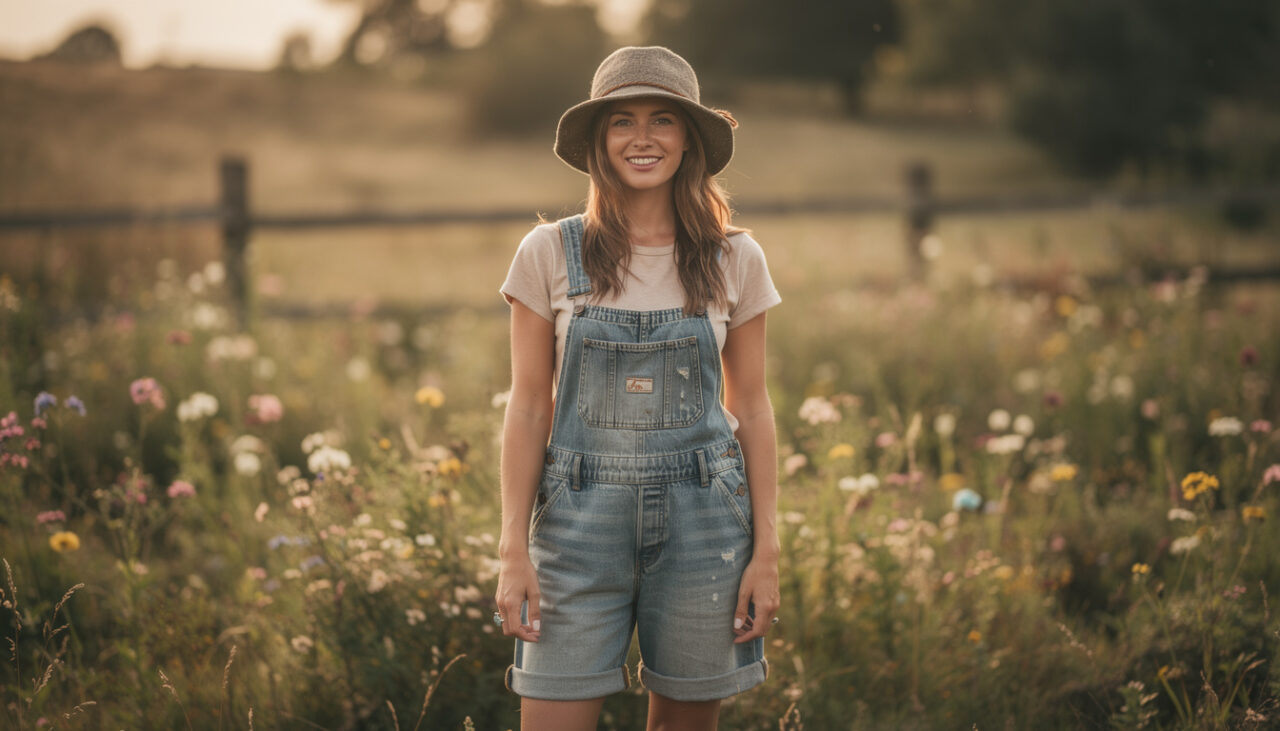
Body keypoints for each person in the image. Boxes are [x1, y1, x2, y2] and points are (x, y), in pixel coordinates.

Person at [495, 46, 782, 731]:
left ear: (689, 139)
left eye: (663, 120)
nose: (643, 138)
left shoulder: (733, 256)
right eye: (622, 121)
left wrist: (767, 551)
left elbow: (753, 406)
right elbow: (529, 405)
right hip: (574, 523)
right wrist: (511, 548)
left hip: (704, 521)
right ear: (599, 141)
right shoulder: (547, 253)